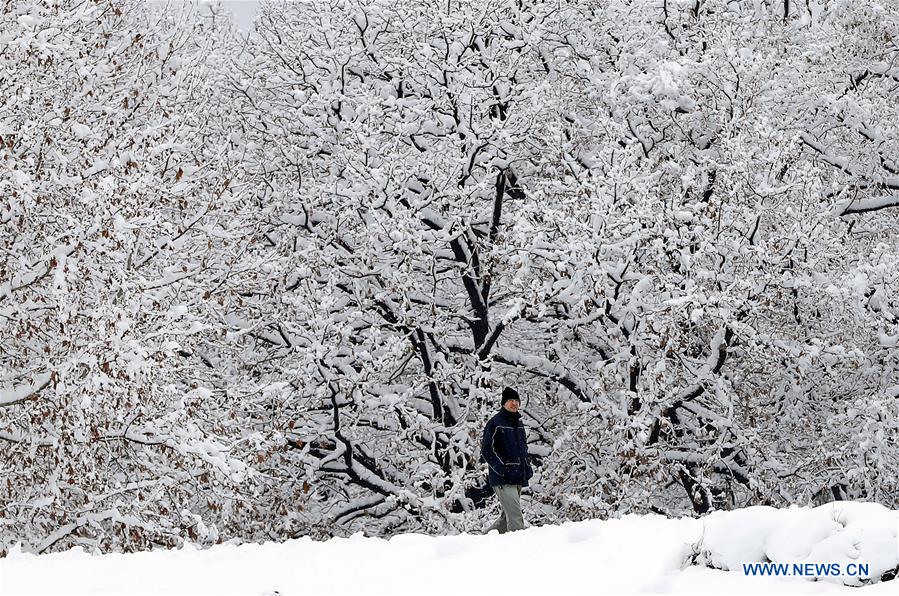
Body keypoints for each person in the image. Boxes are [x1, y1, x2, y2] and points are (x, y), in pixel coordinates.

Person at [481, 387, 533, 534]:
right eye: (511, 400)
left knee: (506, 518)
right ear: (504, 403)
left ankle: (482, 540)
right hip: (503, 478)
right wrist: (501, 468)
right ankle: (518, 550)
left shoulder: (518, 423)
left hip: (517, 476)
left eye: (517, 400)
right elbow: (486, 449)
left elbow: (523, 449)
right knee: (516, 518)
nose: (514, 403)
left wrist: (527, 467)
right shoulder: (495, 423)